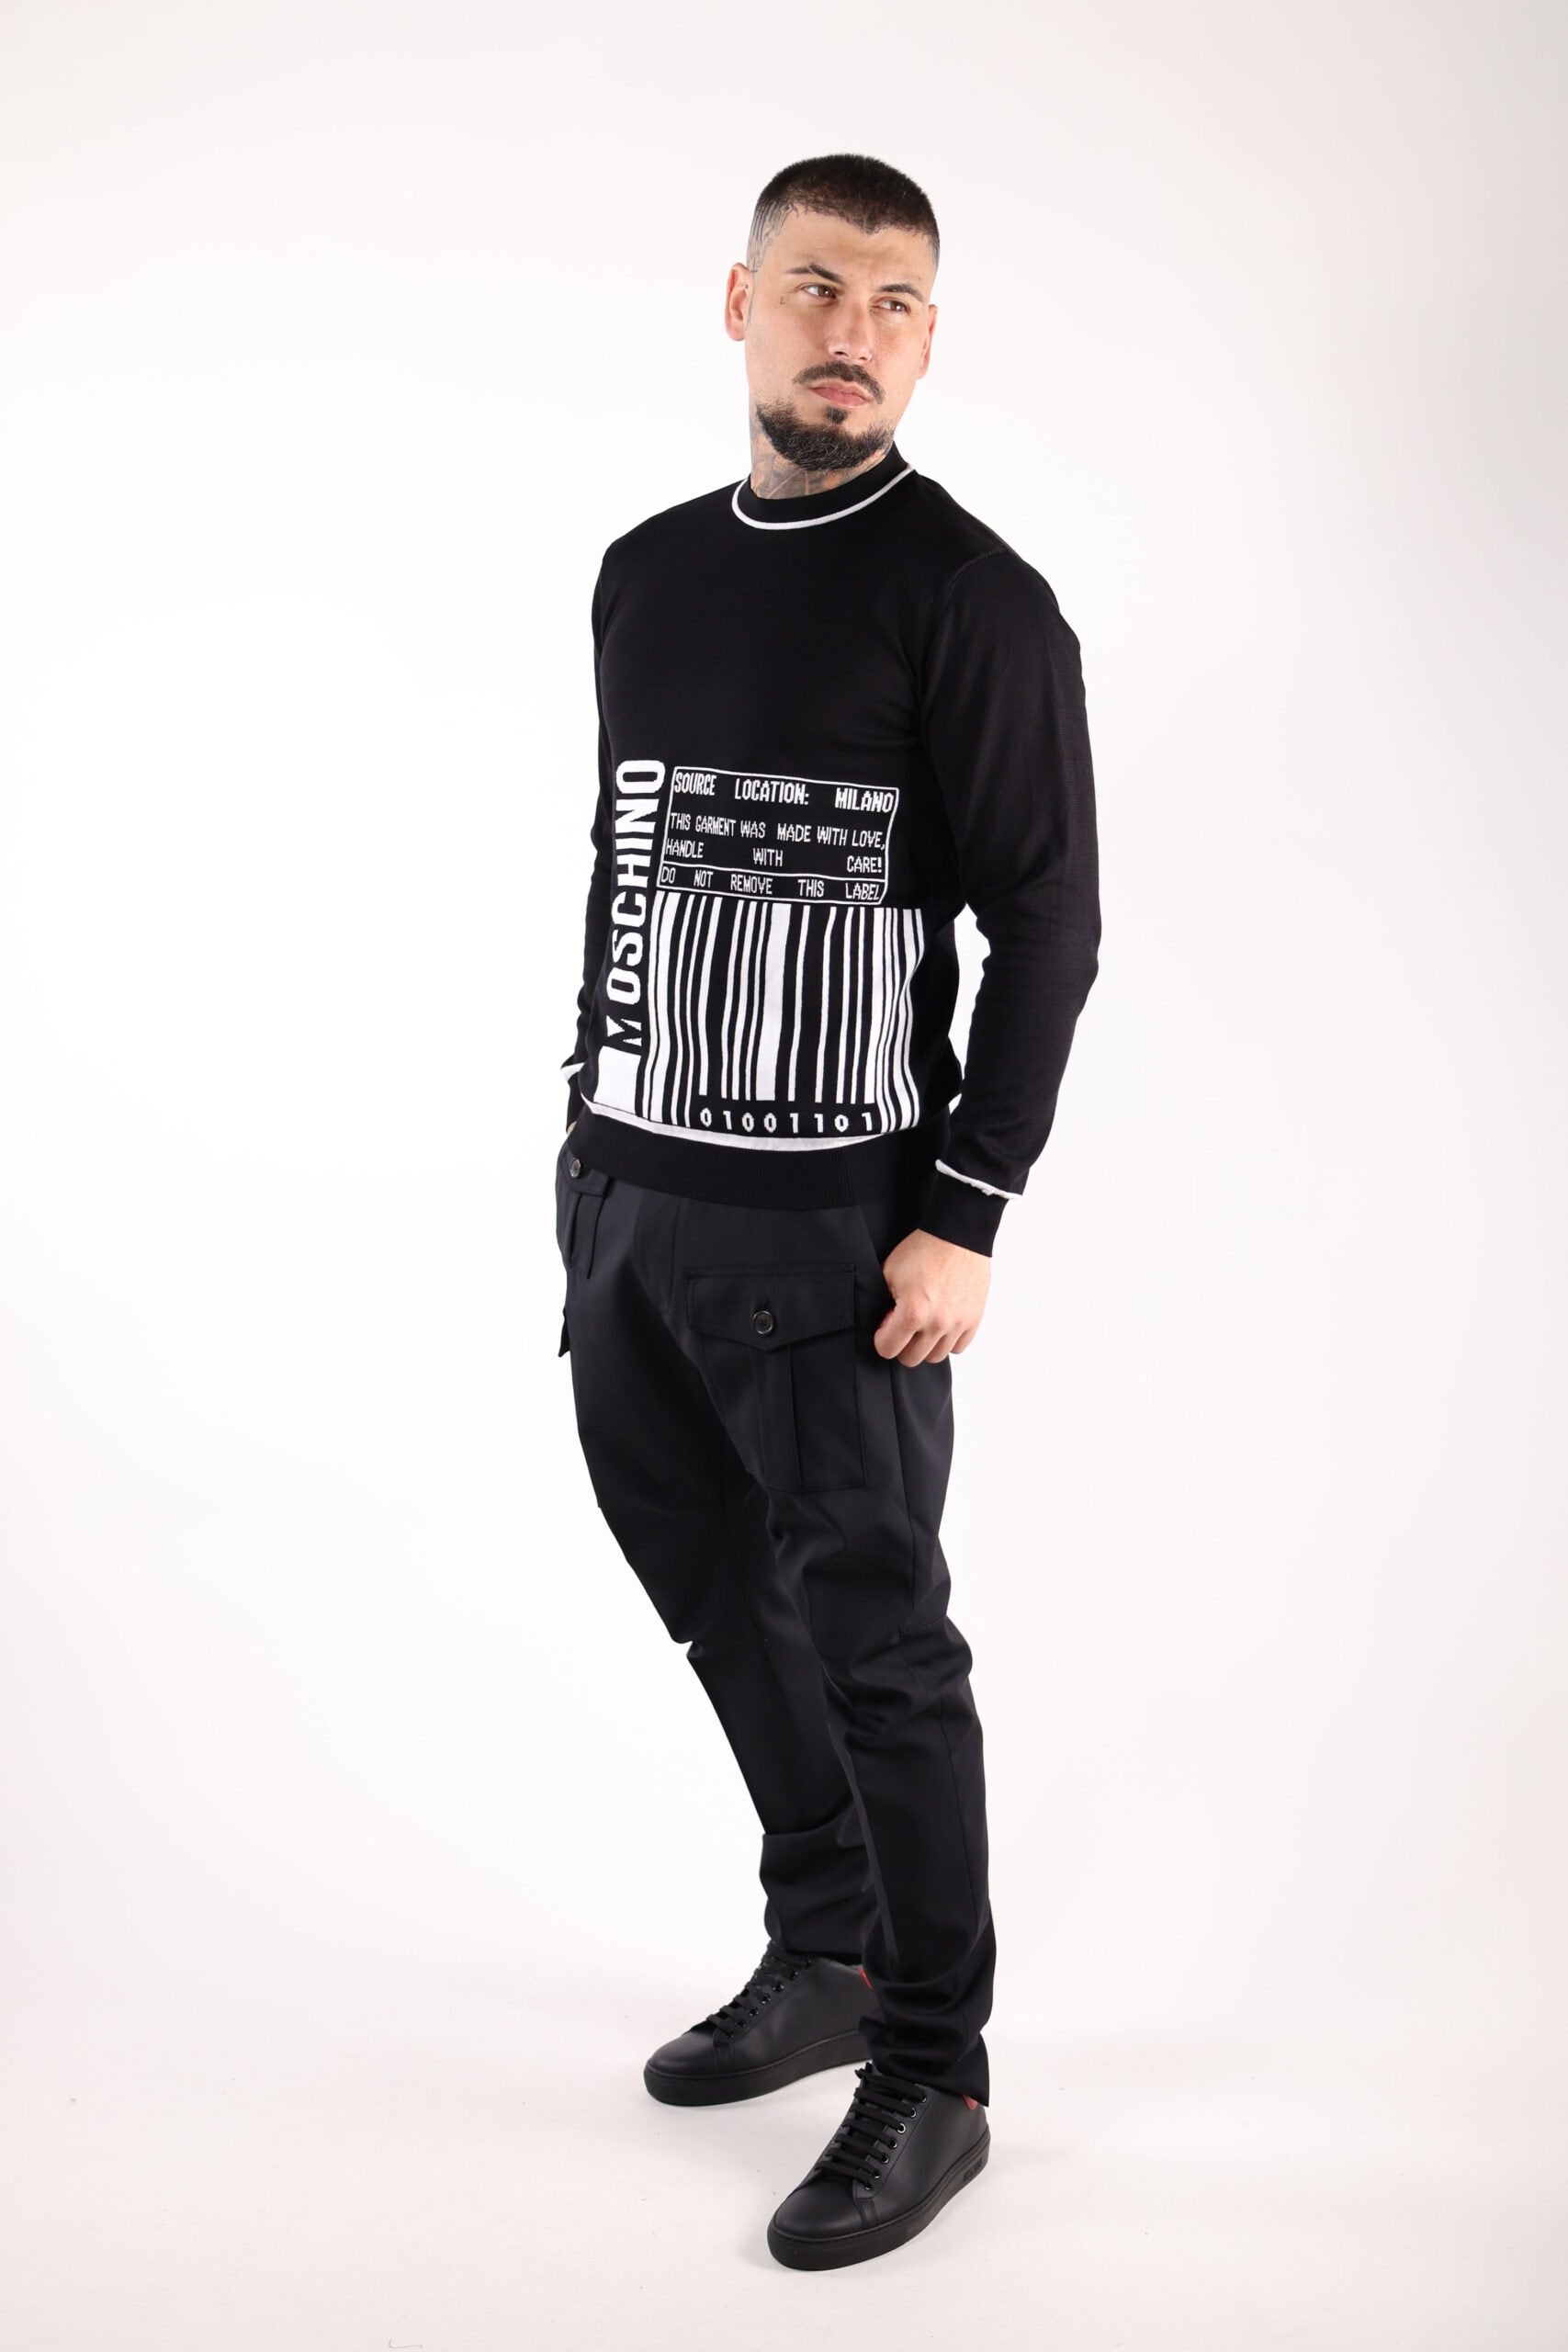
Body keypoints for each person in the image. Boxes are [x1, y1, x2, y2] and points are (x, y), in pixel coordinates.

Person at [552, 151, 1100, 2269]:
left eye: (891, 304)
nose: (848, 334)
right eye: (814, 288)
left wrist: (966, 1205)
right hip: (633, 1195)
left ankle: (932, 2066)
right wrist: (583, 1141)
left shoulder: (969, 598)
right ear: (738, 303)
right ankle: (828, 1943)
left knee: (877, 1637)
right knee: (707, 1580)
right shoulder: (644, 572)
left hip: (836, 1235)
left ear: (926, 341)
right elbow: (629, 856)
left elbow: (1043, 915)